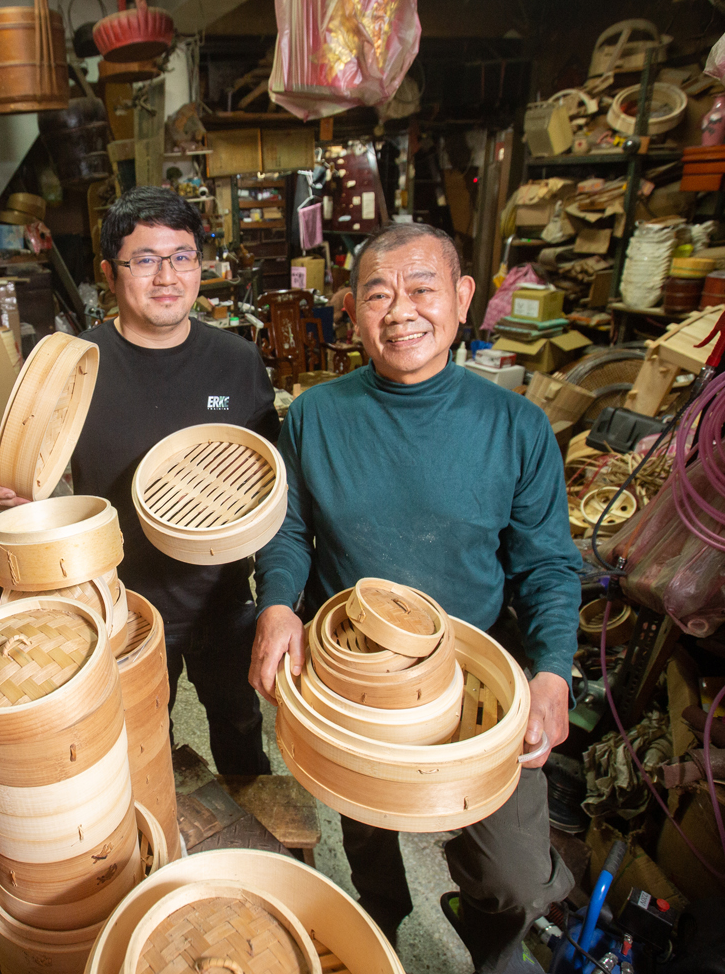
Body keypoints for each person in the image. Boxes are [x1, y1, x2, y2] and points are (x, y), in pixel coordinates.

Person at [248, 222, 579, 973]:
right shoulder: (316, 415)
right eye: (379, 293)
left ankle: (487, 935)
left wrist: (553, 668)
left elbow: (548, 566)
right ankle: (381, 926)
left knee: (516, 877)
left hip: (476, 674)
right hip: (356, 675)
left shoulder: (518, 427)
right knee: (366, 828)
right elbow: (290, 528)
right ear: (352, 310)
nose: (402, 311)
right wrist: (277, 603)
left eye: (423, 288)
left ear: (463, 299)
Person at [0, 187, 277, 776]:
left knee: (241, 730)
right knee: (139, 740)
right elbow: (3, 444)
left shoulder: (236, 360)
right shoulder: (76, 362)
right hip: (120, 599)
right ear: (110, 274)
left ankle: (252, 852)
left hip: (223, 595)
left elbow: (268, 472)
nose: (168, 276)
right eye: (145, 260)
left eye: (182, 256)